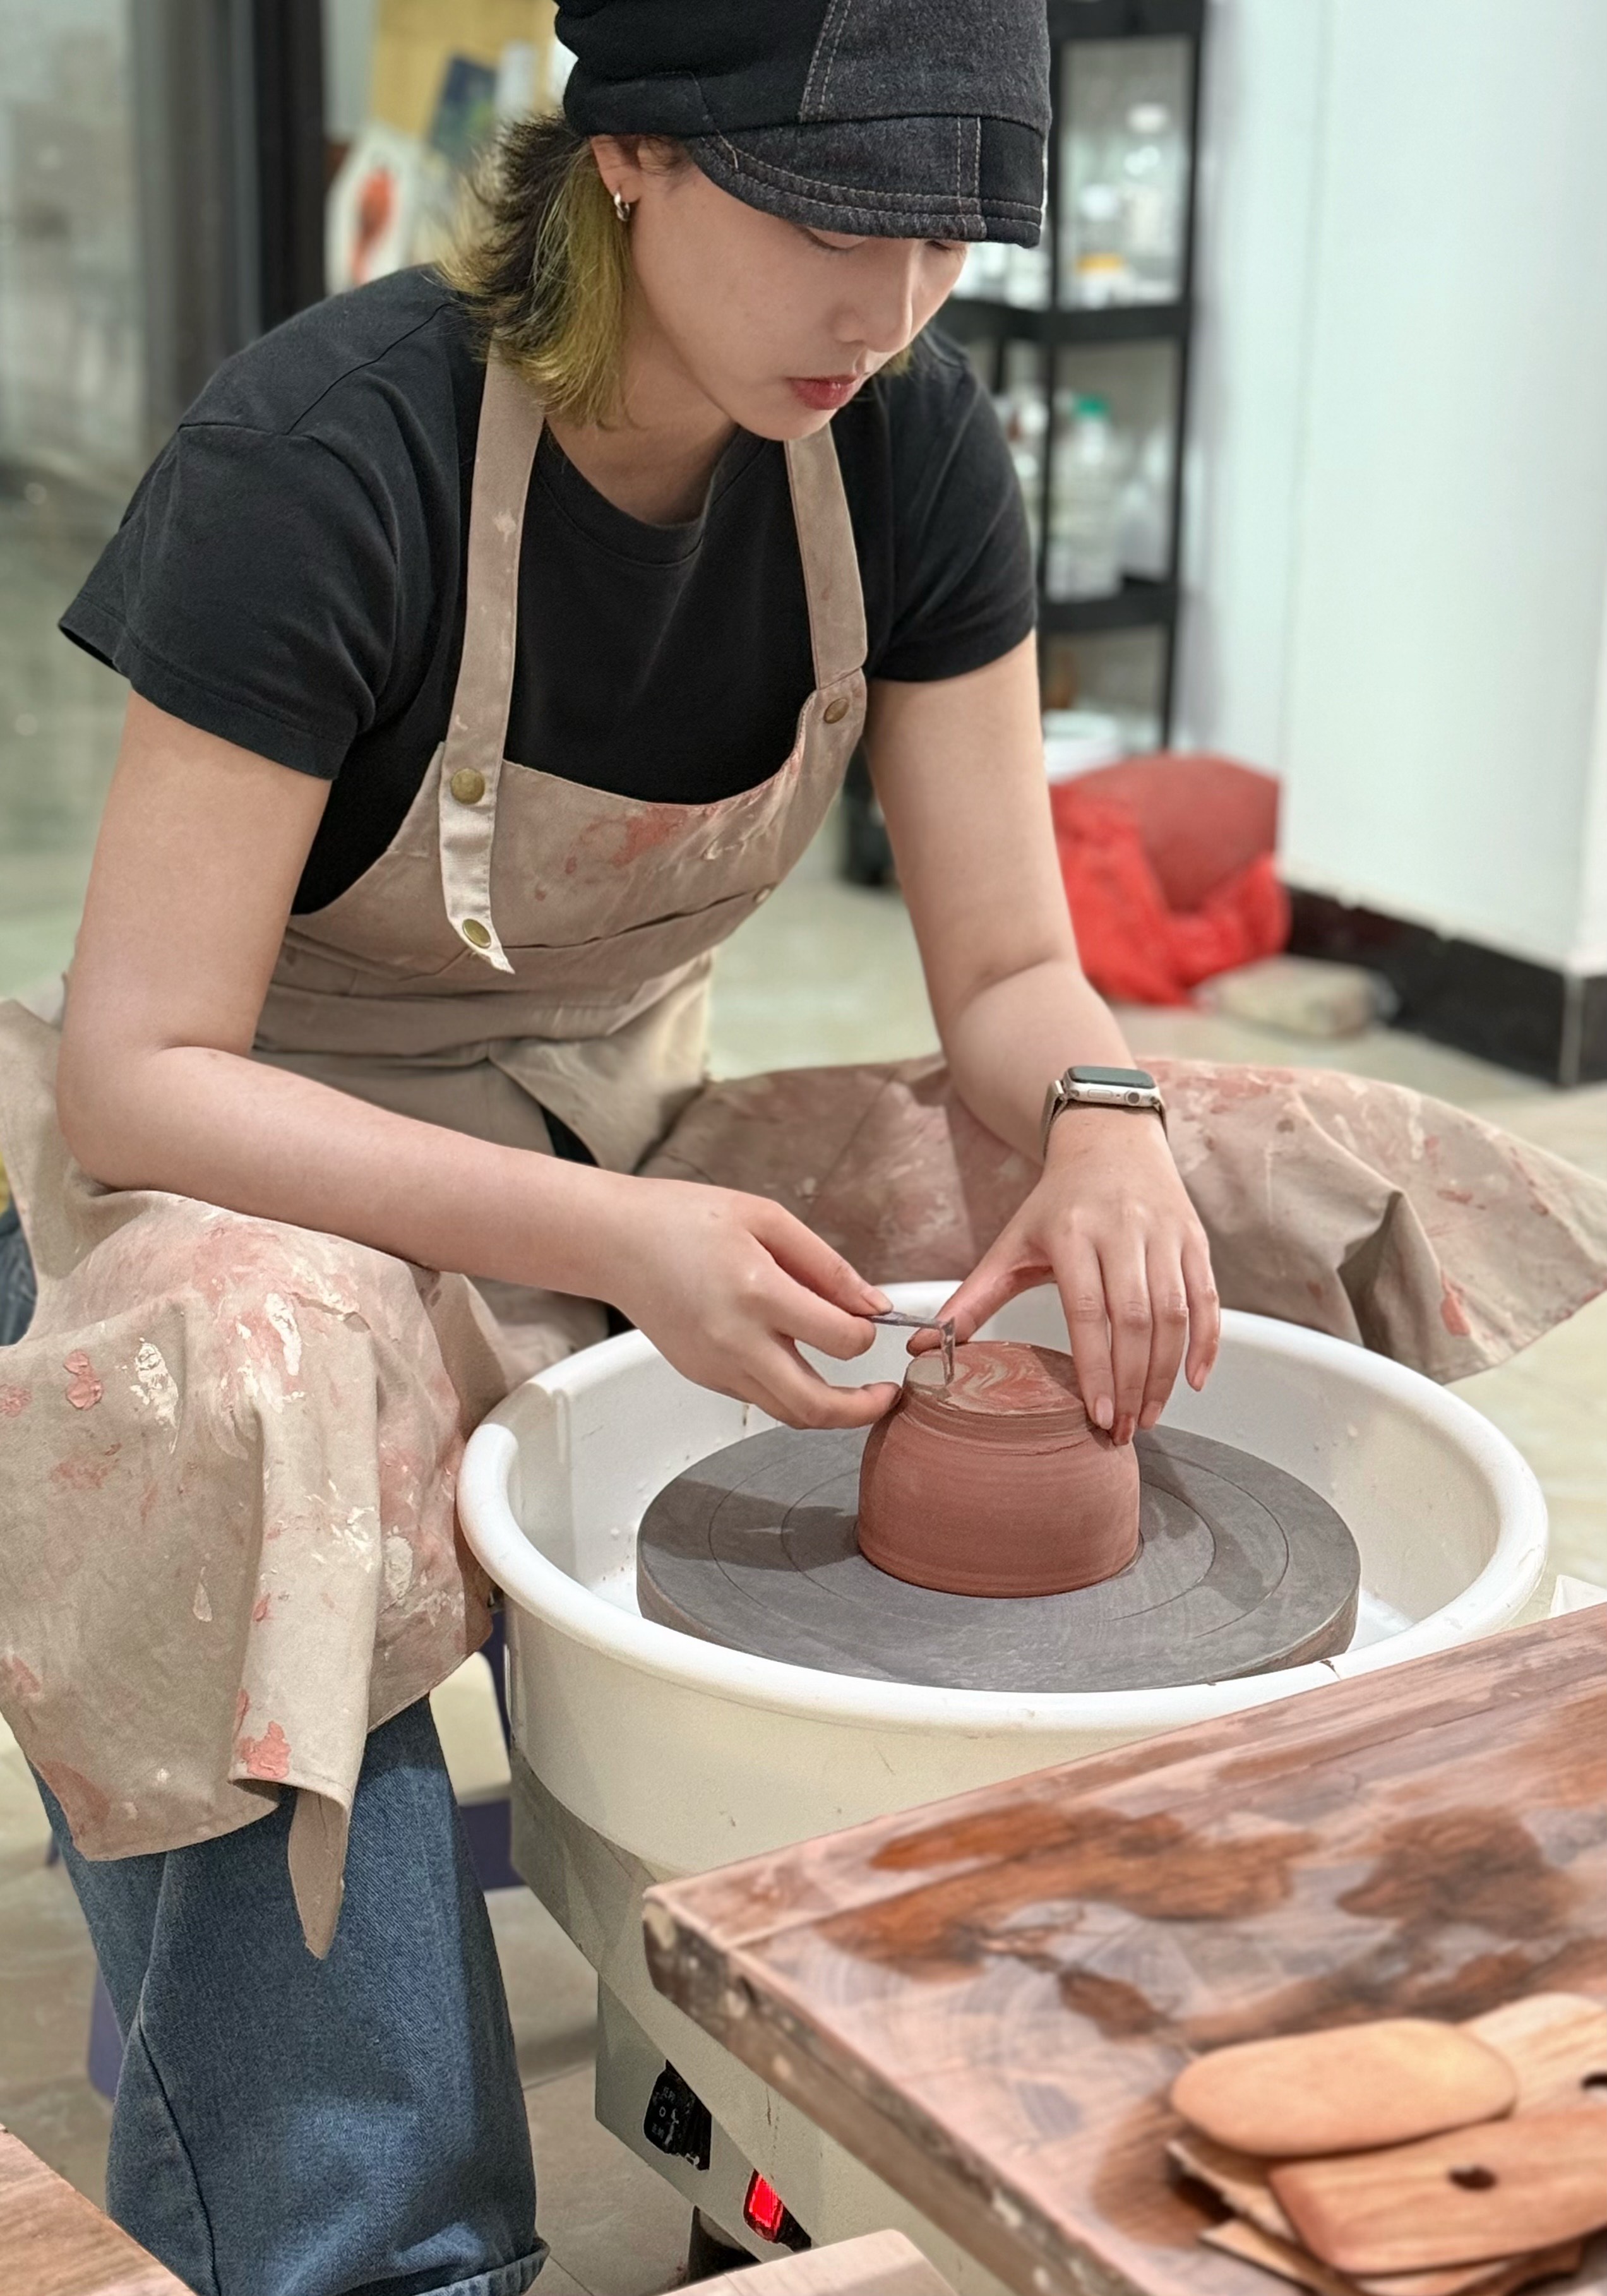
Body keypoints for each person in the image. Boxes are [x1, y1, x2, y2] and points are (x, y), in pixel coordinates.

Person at [1, 4, 1604, 2292]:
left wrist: (1110, 1123)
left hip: (630, 1128)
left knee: (1280, 1167)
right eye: (833, 217)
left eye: (950, 233)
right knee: (247, 1393)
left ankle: (1047, 2045)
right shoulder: (323, 453)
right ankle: (364, 2243)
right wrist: (616, 1240)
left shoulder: (907, 446)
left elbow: (1013, 987)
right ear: (632, 156)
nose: (892, 301)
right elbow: (136, 1070)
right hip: (256, 1178)